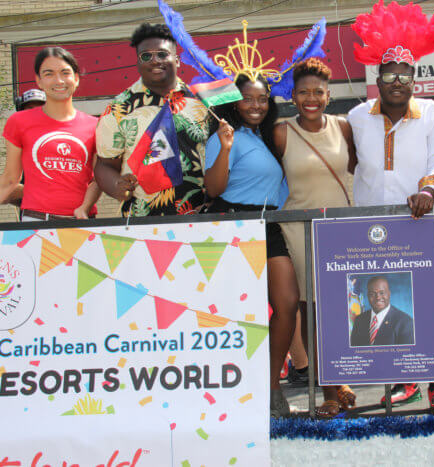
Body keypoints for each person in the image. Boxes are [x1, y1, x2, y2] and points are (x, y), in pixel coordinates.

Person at [348, 0, 434, 414]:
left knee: (430, 304)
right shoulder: (356, 116)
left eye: (404, 75)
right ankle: (401, 381)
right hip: (371, 228)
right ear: (378, 78)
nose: (397, 80)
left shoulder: (431, 113)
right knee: (387, 308)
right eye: (389, 74)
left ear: (414, 77)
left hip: (421, 224)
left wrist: (428, 193)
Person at [204, 73, 298, 418]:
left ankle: (272, 385)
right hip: (235, 226)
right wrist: (225, 147)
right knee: (242, 314)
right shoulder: (226, 135)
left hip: (270, 225)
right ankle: (241, 392)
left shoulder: (268, 137)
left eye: (262, 99)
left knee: (287, 303)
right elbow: (213, 189)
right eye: (248, 98)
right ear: (235, 101)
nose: (256, 105)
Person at [271, 58, 356, 418]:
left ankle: (343, 379)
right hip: (301, 231)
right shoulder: (281, 132)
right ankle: (330, 391)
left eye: (318, 92)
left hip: (343, 230)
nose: (311, 98)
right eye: (303, 92)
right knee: (314, 314)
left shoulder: (344, 126)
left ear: (328, 94)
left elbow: (354, 171)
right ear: (293, 96)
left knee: (347, 311)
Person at [95, 23, 211, 216]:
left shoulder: (202, 102)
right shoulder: (119, 108)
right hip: (142, 221)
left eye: (163, 54)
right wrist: (116, 185)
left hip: (201, 217)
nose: (155, 60)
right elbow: (105, 165)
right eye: (146, 56)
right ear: (138, 62)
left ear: (177, 60)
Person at [0, 47, 100, 221]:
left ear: (76, 79)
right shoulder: (19, 122)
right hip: (35, 221)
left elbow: (99, 179)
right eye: (49, 74)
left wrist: (84, 208)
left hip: (81, 221)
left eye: (65, 73)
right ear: (38, 81)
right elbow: (10, 178)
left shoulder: (96, 125)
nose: (59, 80)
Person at [350, 276, 414, 347]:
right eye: (372, 294)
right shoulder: (359, 320)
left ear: (389, 294)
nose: (378, 297)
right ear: (368, 296)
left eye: (382, 293)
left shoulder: (406, 323)